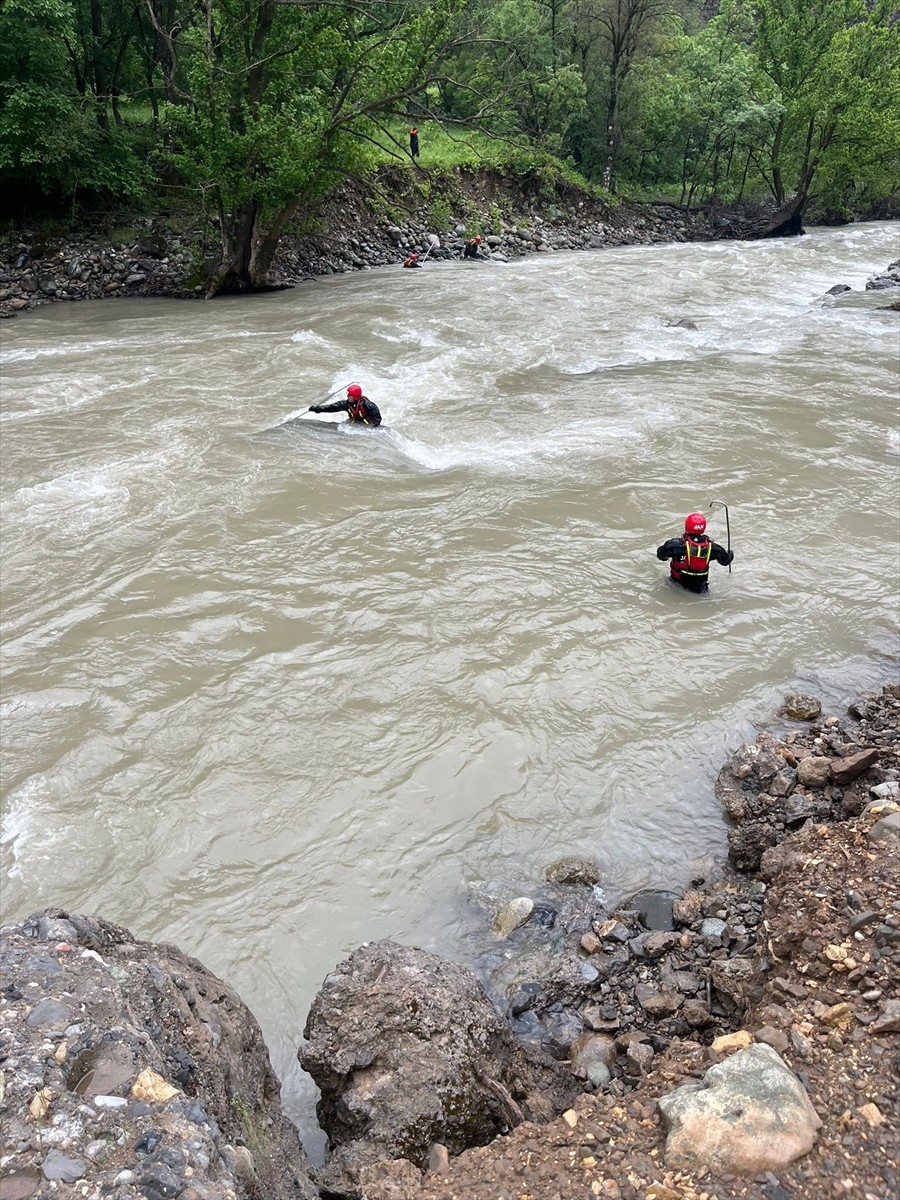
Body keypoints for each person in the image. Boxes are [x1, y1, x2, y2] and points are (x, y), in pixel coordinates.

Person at [656, 512, 733, 592]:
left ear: (686, 526)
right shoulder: (712, 548)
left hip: (675, 587)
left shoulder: (675, 545)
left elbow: (661, 556)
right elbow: (725, 561)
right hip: (701, 590)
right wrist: (730, 553)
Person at [308, 383, 382, 427]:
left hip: (366, 425)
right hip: (355, 424)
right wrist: (317, 409)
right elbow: (331, 408)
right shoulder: (346, 404)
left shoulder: (367, 405)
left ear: (355, 396)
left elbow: (377, 418)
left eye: (350, 395)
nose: (348, 396)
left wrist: (372, 428)